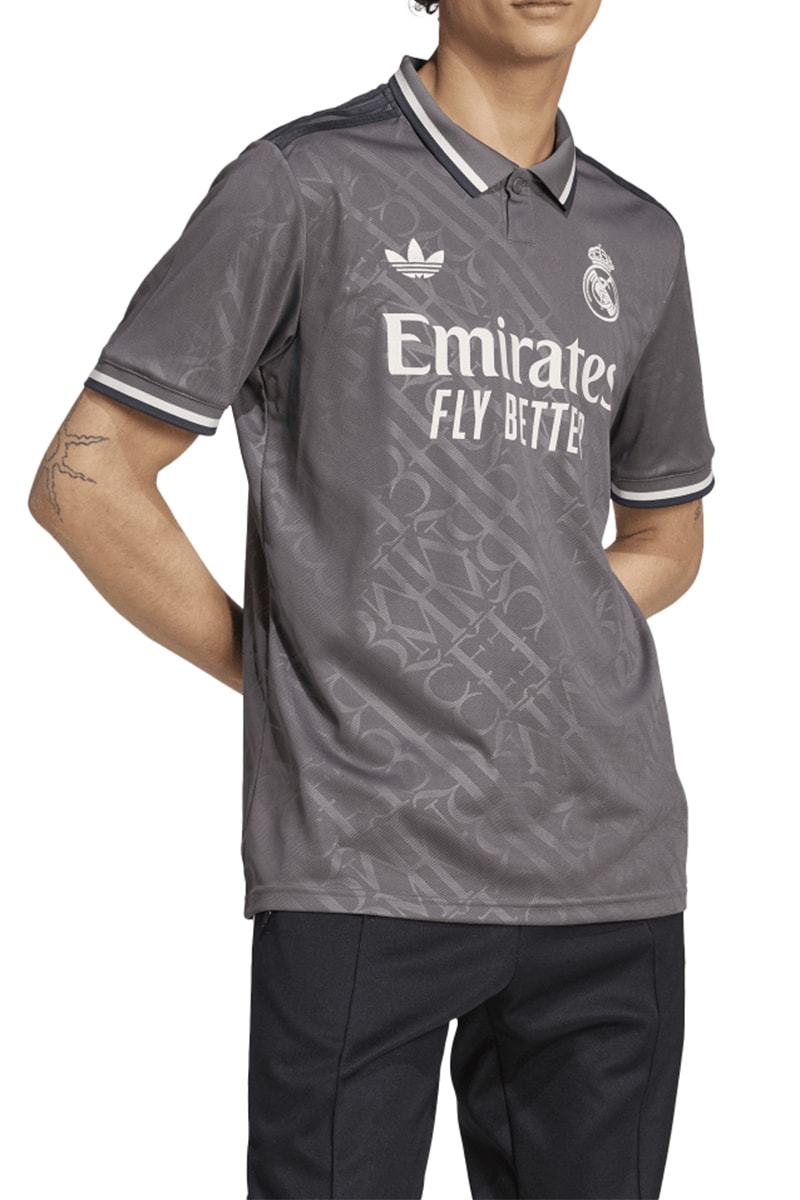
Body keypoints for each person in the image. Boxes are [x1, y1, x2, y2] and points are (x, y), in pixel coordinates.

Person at [28, 0, 715, 1196]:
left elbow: (666, 532)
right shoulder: (301, 184)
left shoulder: (639, 239)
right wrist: (292, 663)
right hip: (365, 859)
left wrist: (532, 632)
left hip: (607, 864)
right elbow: (84, 477)